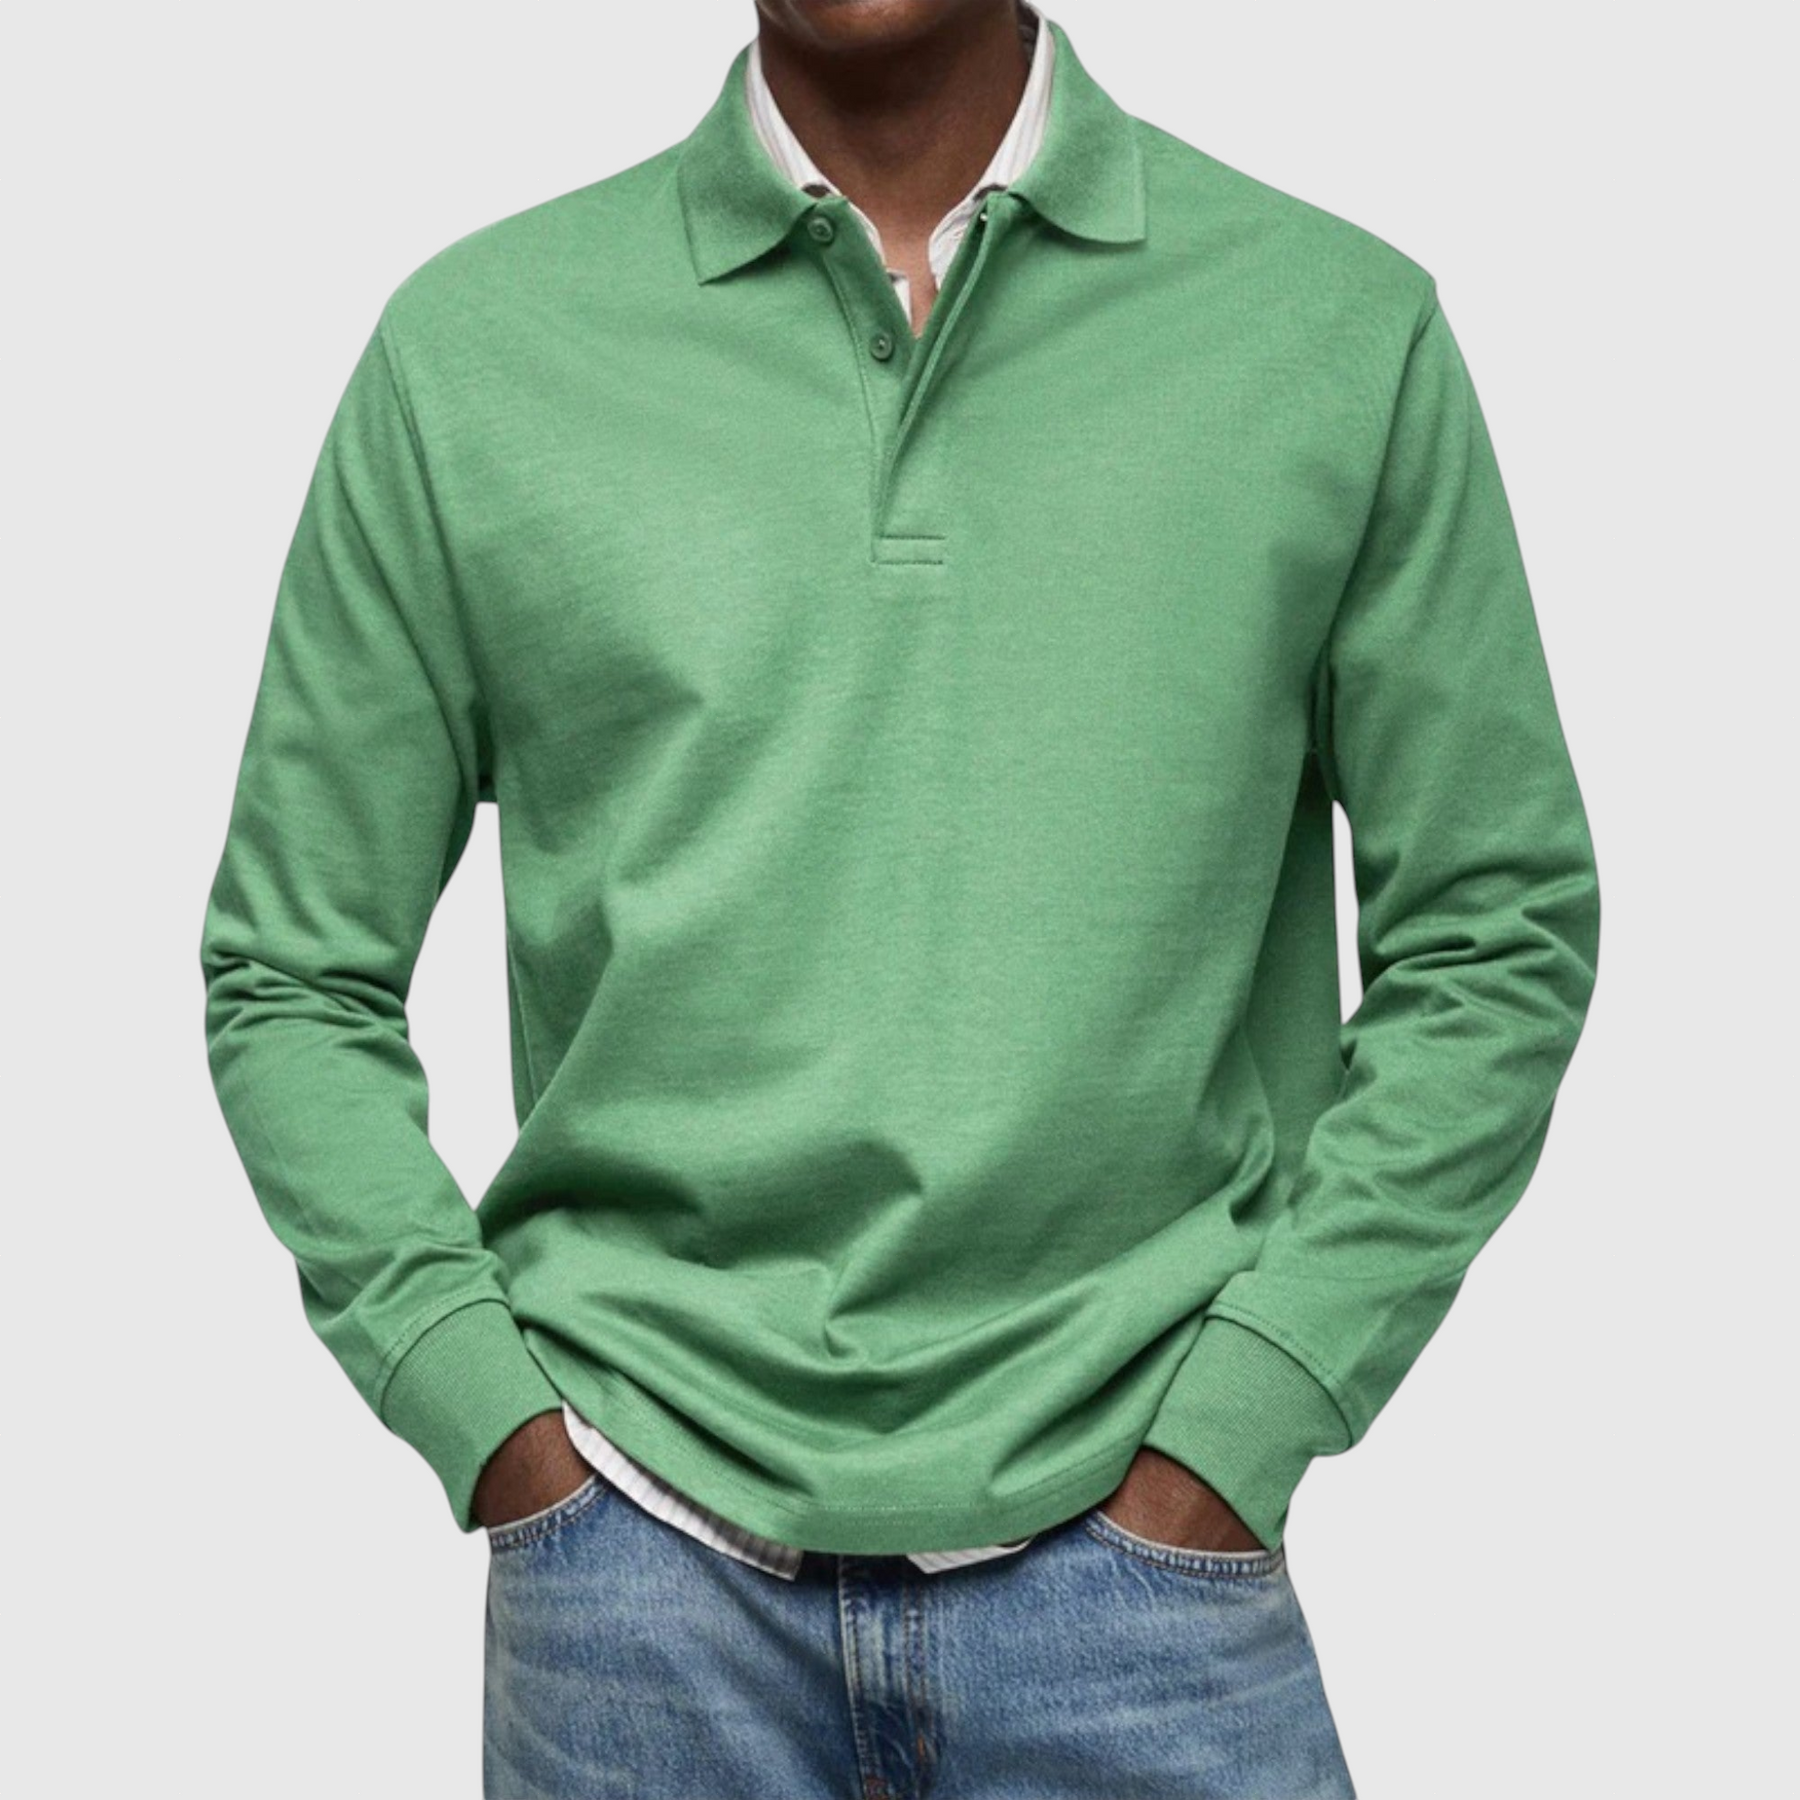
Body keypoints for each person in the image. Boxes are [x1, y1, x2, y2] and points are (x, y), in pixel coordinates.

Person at [197, 2, 1602, 1794]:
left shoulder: (1333, 327)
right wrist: (486, 1415)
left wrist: (1256, 1409)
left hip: (1148, 1569)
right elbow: (292, 969)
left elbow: (1494, 930)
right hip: (634, 1576)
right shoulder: (473, 352)